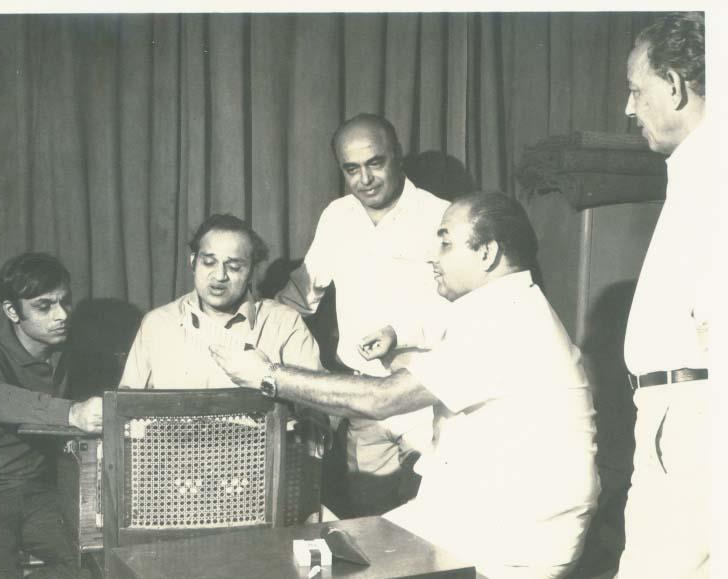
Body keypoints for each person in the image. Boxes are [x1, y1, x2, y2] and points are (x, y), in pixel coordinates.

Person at [213, 192, 601, 578]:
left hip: (509, 544)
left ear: (488, 253)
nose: (434, 256)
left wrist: (269, 376)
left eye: (446, 242)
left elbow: (383, 399)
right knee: (317, 555)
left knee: (317, 567)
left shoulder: (508, 320)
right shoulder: (505, 307)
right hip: (474, 519)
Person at [277, 113, 450, 513]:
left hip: (425, 403)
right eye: (351, 169)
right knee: (373, 537)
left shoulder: (442, 216)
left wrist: (400, 332)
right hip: (363, 407)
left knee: (435, 536)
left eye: (376, 163)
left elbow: (466, 314)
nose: (365, 179)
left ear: (398, 156)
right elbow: (302, 295)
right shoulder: (337, 217)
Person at [0, 252, 101, 579]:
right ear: (12, 311)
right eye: (44, 306)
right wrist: (72, 412)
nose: (62, 315)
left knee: (100, 564)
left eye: (65, 302)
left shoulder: (69, 353)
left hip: (37, 495)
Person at [618, 12, 712, 578]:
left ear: (675, 85)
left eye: (636, 90)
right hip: (678, 413)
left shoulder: (711, 173)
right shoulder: (695, 170)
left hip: (692, 417)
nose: (629, 109)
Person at [119, 213, 322, 389]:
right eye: (209, 263)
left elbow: (317, 405)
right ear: (193, 262)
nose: (219, 276)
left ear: (251, 272)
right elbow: (125, 410)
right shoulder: (157, 324)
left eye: (233, 267)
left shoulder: (284, 323)